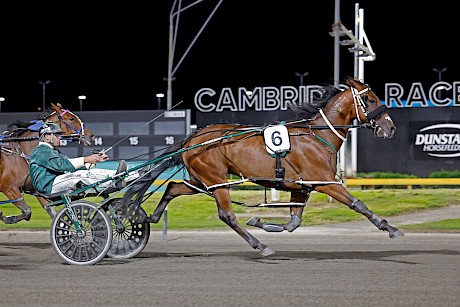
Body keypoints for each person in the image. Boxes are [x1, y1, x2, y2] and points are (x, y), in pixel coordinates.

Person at [29, 122, 129, 195]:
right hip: (48, 185)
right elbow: (61, 165)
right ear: (47, 136)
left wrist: (94, 161)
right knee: (77, 176)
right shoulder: (40, 151)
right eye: (56, 135)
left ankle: (129, 175)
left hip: (54, 181)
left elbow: (70, 167)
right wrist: (86, 159)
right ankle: (114, 180)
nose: (59, 138)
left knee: (83, 173)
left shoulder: (52, 151)